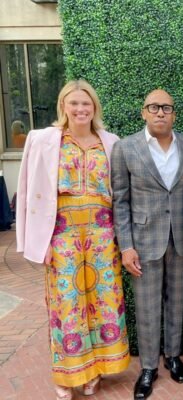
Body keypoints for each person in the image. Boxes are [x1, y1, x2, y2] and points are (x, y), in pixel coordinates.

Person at [16, 79, 130, 400]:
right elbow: (27, 191)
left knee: (103, 303)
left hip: (103, 235)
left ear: (94, 107)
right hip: (62, 234)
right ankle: (66, 375)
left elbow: (121, 193)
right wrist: (39, 240)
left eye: (86, 103)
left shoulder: (111, 142)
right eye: (74, 103)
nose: (80, 109)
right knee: (66, 304)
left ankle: (96, 370)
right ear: (63, 106)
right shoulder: (43, 140)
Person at [111, 89, 183, 399]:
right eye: (154, 107)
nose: (160, 112)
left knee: (176, 301)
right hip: (143, 241)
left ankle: (173, 357)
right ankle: (148, 367)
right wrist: (126, 246)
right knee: (147, 307)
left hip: (181, 239)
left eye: (167, 108)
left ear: (174, 114)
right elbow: (120, 201)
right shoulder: (125, 148)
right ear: (144, 112)